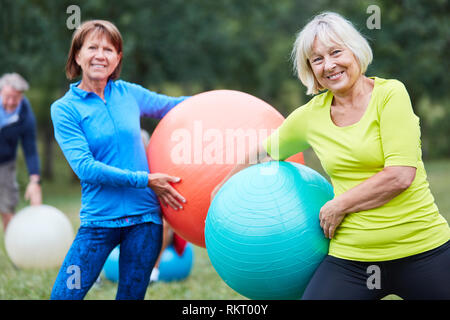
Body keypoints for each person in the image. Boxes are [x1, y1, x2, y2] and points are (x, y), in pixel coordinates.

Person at [212, 12, 450, 300]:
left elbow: (400, 175)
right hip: (353, 257)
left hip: (422, 248)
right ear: (311, 70)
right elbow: (262, 153)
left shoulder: (390, 95)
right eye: (317, 59)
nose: (329, 65)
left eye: (336, 52)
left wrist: (339, 205)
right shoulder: (309, 117)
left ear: (356, 51)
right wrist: (221, 191)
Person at [50, 20, 189, 300]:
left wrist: (225, 101)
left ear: (117, 59)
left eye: (108, 49)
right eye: (92, 47)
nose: (100, 55)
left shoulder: (129, 94)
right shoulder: (65, 109)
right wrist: (145, 180)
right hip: (99, 223)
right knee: (64, 296)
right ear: (77, 55)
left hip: (145, 222)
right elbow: (85, 168)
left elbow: (175, 106)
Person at [0, 73, 42, 231]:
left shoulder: (25, 116)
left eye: (16, 98)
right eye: (7, 97)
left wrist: (35, 180)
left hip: (5, 163)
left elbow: (30, 149)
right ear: (1, 91)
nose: (11, 102)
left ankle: (13, 247)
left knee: (7, 206)